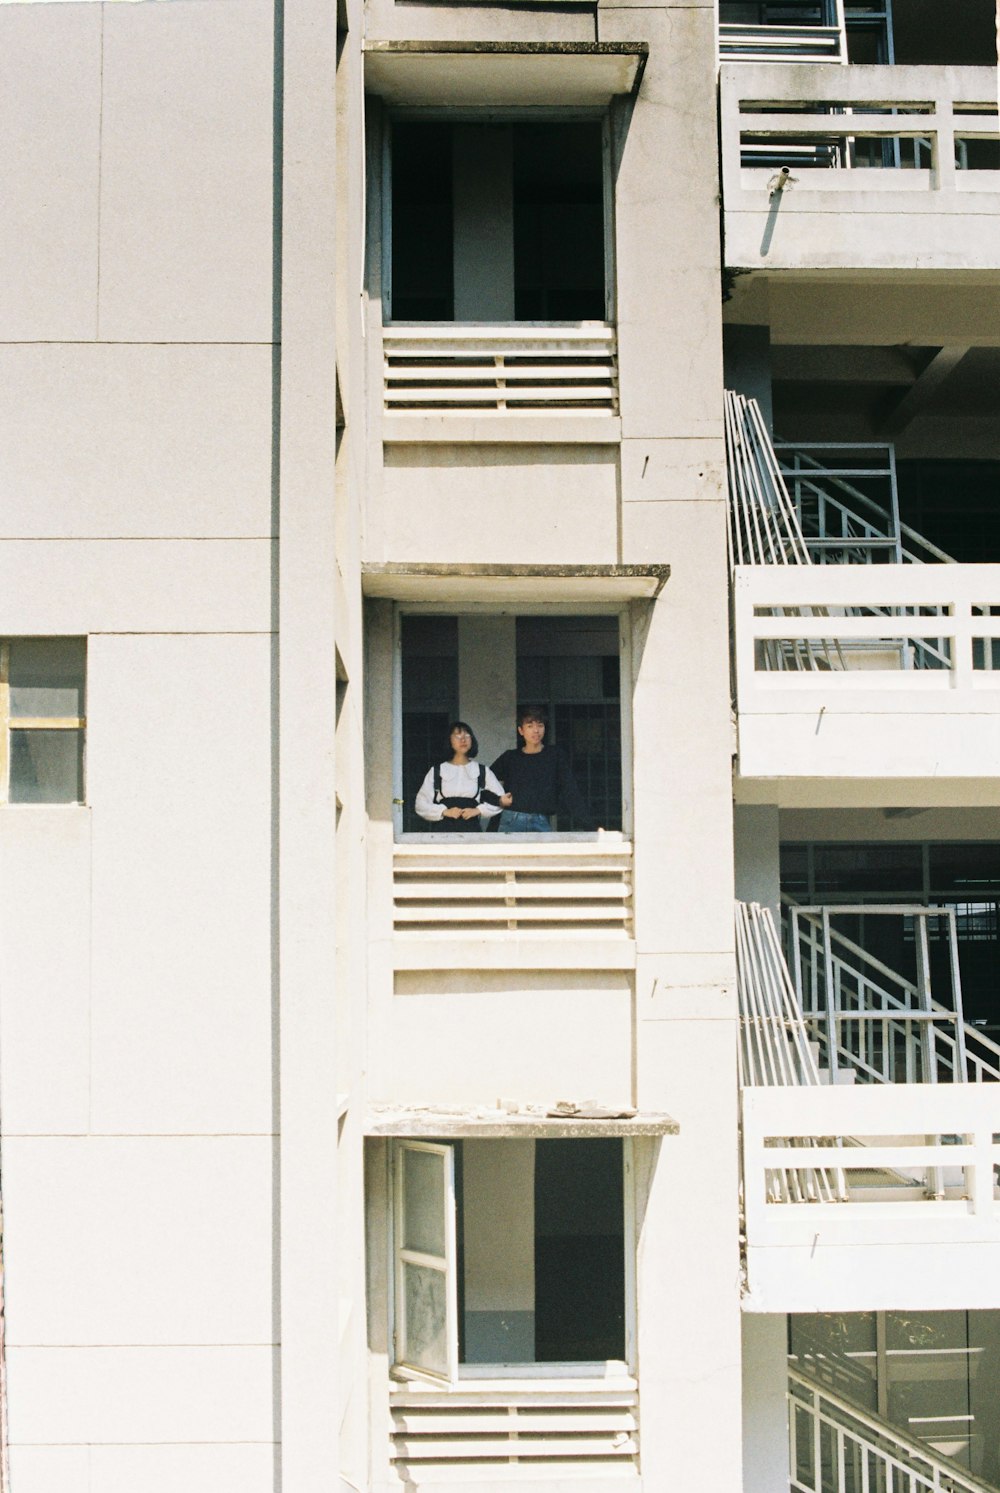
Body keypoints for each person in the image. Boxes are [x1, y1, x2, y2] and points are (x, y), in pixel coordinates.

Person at [490, 704, 598, 833]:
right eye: (530, 726)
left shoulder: (554, 755)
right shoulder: (510, 757)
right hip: (512, 819)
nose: (536, 730)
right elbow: (483, 783)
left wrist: (589, 825)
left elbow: (570, 791)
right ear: (521, 730)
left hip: (541, 819)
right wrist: (497, 801)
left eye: (540, 725)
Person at [414, 721, 506, 832]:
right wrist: (444, 811)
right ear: (449, 740)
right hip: (443, 831)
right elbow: (420, 804)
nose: (463, 739)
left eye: (467, 735)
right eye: (457, 736)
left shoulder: (482, 771)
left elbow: (502, 800)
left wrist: (478, 810)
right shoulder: (437, 770)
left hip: (472, 830)